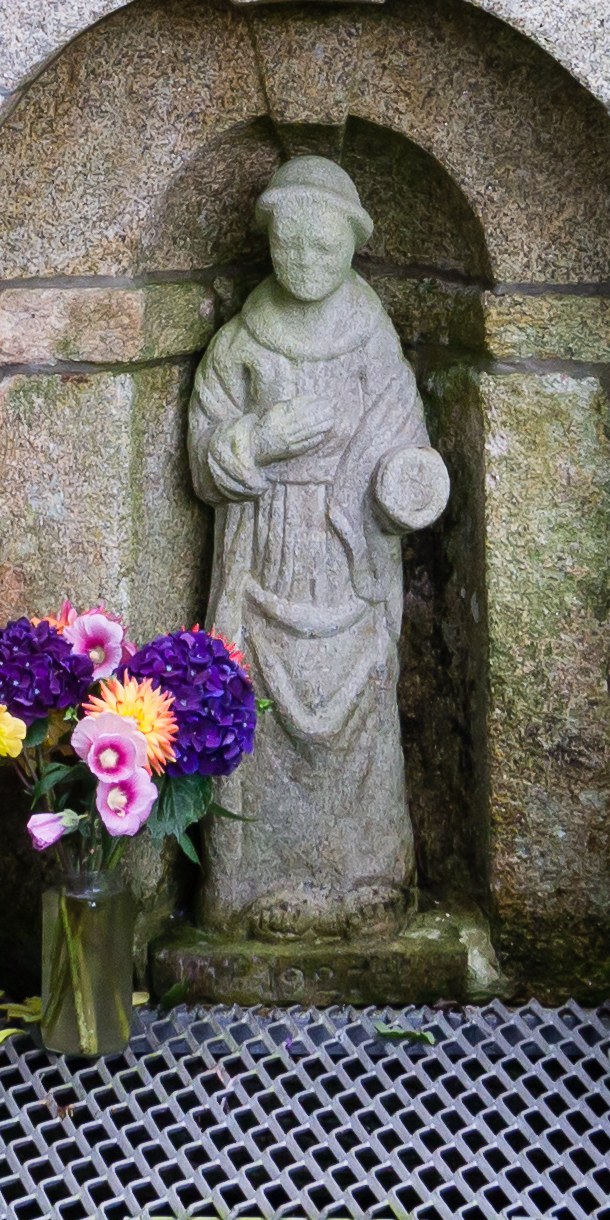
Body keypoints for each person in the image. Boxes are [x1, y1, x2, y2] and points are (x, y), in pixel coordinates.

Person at [187, 152, 448, 930]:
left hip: (348, 563)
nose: (305, 263)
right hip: (267, 552)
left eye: (323, 249)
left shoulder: (373, 343)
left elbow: (408, 443)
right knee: (259, 719)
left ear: (352, 246)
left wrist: (406, 483)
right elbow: (203, 455)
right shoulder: (240, 343)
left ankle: (369, 875)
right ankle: (258, 887)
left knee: (363, 716)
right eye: (289, 247)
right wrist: (258, 440)